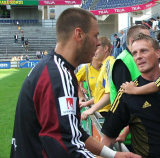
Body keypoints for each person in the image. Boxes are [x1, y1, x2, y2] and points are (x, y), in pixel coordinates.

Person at [10, 8, 140, 158]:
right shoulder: (58, 75)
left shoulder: (53, 68)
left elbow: (73, 132)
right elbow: (66, 147)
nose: (98, 43)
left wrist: (113, 155)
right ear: (79, 35)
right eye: (95, 36)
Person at [109, 25, 151, 151]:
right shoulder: (123, 61)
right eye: (145, 38)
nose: (150, 42)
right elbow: (124, 101)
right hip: (129, 135)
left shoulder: (140, 60)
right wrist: (126, 130)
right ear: (132, 41)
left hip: (142, 131)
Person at [81, 36, 115, 119]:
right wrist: (87, 103)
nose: (93, 51)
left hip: (107, 112)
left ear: (106, 48)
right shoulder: (104, 65)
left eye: (96, 48)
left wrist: (92, 109)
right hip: (103, 111)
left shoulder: (109, 64)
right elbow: (102, 94)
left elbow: (110, 93)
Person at [76, 38, 104, 107]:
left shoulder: (106, 67)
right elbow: (74, 81)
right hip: (95, 105)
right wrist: (81, 95)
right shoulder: (86, 69)